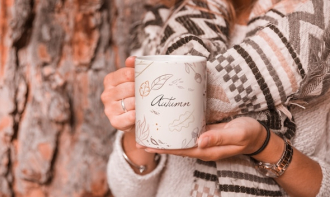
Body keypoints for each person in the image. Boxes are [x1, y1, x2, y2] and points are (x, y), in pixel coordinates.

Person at [101, 0, 330, 196]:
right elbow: (127, 190)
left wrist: (263, 145)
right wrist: (137, 122)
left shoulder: (321, 29)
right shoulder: (166, 24)